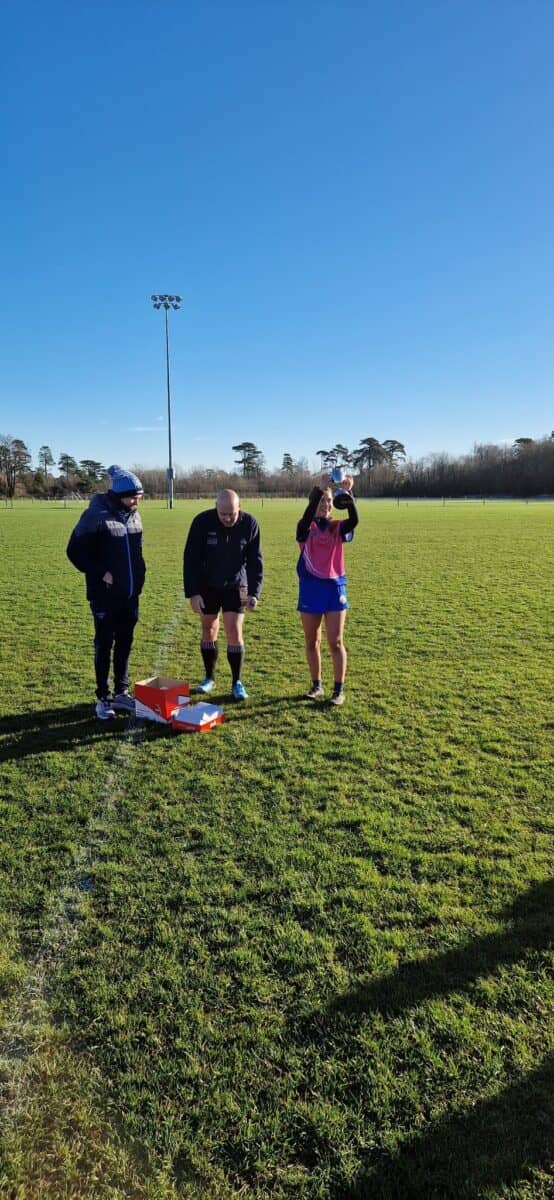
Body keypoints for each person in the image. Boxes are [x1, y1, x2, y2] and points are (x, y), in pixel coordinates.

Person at [67, 465, 146, 720]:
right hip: (104, 595)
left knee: (125, 643)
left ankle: (122, 692)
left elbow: (136, 552)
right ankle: (103, 697)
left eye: (139, 497)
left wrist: (140, 577)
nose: (137, 502)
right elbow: (74, 552)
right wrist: (102, 573)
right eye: (133, 497)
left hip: (130, 595)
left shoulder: (134, 515)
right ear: (118, 495)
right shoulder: (95, 516)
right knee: (104, 644)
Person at [183, 489, 263, 701]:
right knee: (208, 629)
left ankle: (237, 682)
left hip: (236, 584)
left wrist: (254, 592)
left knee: (234, 631)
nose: (227, 518)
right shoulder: (201, 522)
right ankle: (209, 678)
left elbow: (255, 561)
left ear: (240, 507)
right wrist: (193, 593)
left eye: (232, 514)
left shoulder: (250, 524)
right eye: (223, 514)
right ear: (216, 507)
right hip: (207, 585)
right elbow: (190, 558)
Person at [296, 473, 358, 705]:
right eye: (322, 501)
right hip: (311, 588)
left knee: (336, 642)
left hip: (334, 589)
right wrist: (317, 490)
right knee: (312, 641)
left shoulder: (337, 527)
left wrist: (348, 494)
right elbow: (307, 516)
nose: (325, 504)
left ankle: (338, 690)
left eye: (329, 501)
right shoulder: (305, 527)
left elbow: (354, 520)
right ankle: (316, 685)